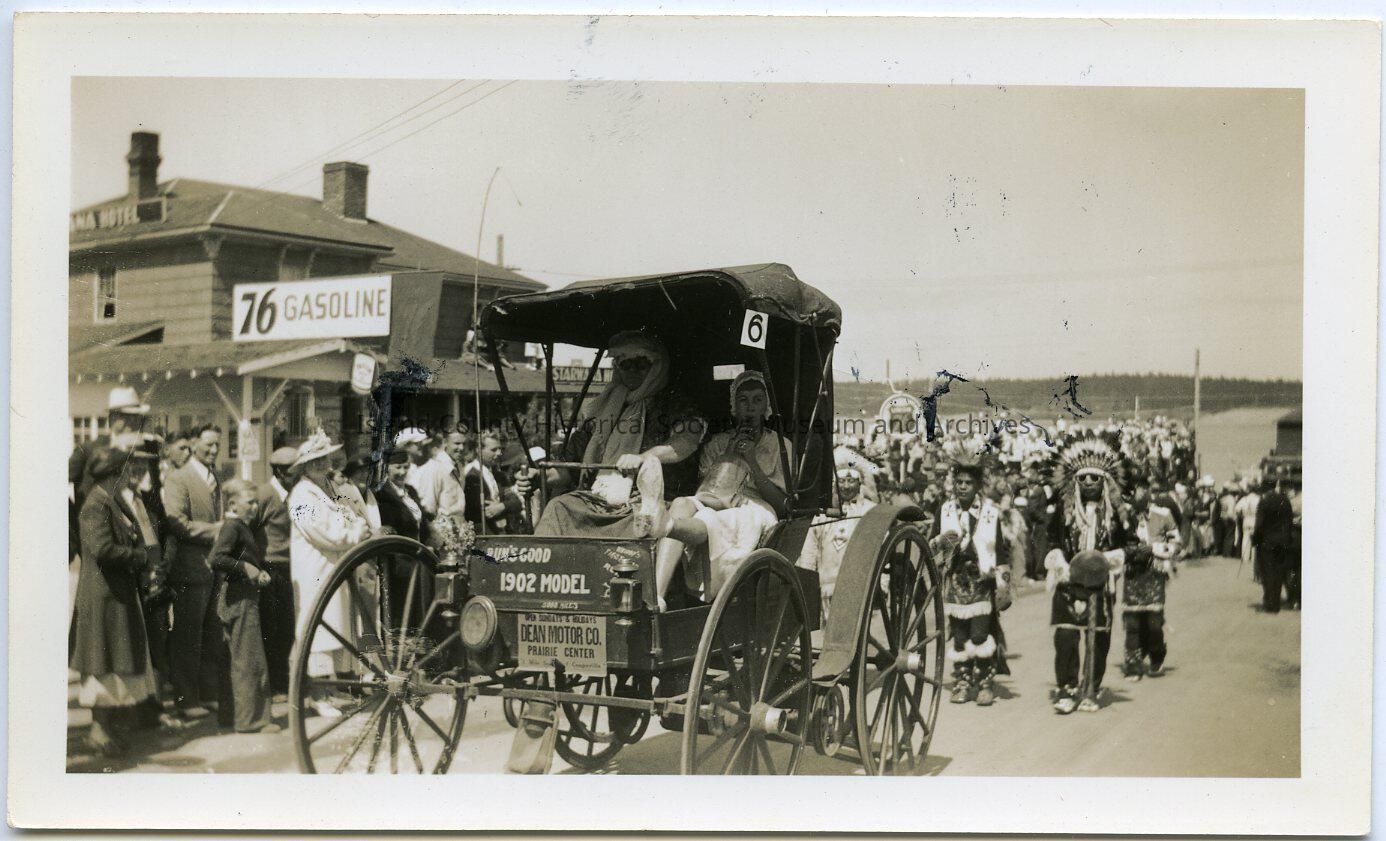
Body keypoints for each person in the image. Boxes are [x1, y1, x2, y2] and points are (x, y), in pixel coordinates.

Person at [636, 371, 789, 611]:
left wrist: (752, 461)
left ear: (766, 406)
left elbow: (782, 505)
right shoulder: (718, 443)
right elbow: (707, 492)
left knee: (711, 519)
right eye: (743, 400)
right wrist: (729, 453)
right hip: (718, 500)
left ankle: (666, 526)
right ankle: (658, 595)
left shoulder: (779, 445)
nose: (750, 407)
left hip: (756, 508)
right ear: (734, 407)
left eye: (757, 400)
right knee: (681, 504)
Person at [531, 330, 705, 538]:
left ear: (657, 367)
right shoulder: (604, 407)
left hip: (649, 502)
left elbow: (686, 441)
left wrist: (644, 458)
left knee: (643, 522)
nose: (632, 371)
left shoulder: (674, 403)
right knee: (558, 507)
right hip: (598, 499)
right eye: (625, 364)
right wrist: (537, 476)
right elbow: (570, 466)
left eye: (641, 364)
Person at [69, 447, 160, 756]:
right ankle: (98, 732)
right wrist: (139, 557)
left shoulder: (110, 500)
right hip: (103, 598)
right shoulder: (95, 505)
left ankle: (107, 730)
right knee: (101, 664)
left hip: (116, 595)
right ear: (114, 473)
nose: (129, 475)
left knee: (113, 664)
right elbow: (102, 549)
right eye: (125, 470)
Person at [287, 429, 372, 717]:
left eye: (325, 459)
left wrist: (355, 526)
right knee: (319, 630)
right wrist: (356, 532)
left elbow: (349, 516)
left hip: (334, 568)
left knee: (336, 627)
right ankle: (317, 695)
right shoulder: (301, 496)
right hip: (315, 572)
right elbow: (327, 533)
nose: (324, 465)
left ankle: (331, 688)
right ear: (306, 466)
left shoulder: (327, 489)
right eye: (317, 461)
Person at [1044, 434, 1129, 713]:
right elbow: (1052, 540)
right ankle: (1067, 688)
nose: (1089, 482)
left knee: (1098, 639)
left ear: (1105, 482)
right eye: (1083, 478)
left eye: (1095, 478)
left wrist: (1108, 561)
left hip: (1100, 585)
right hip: (1068, 582)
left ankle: (1090, 687)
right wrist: (1061, 564)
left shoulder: (1114, 515)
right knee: (1066, 637)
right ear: (1075, 482)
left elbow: (1125, 545)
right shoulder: (1063, 512)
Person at [932, 457, 1012, 707]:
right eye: (959, 482)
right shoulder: (945, 510)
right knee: (959, 636)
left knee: (979, 635)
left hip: (982, 582)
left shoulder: (990, 512)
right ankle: (963, 681)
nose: (963, 487)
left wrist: (1003, 586)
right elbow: (933, 546)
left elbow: (999, 550)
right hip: (956, 582)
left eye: (968, 482)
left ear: (977, 485)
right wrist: (944, 545)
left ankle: (985, 682)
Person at [161, 425, 224, 719]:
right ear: (195, 443)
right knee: (187, 634)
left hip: (213, 568)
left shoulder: (214, 477)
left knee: (212, 632)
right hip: (189, 568)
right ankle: (186, 699)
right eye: (209, 444)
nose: (214, 450)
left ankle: (209, 693)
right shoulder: (178, 478)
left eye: (217, 445)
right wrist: (216, 531)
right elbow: (176, 521)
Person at [208, 479, 278, 734]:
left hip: (238, 596)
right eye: (249, 502)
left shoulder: (238, 526)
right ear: (233, 504)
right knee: (249, 660)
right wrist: (246, 568)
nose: (255, 507)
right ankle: (252, 721)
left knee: (235, 659)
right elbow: (216, 558)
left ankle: (231, 717)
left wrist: (255, 571)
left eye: (256, 502)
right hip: (240, 599)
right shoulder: (233, 526)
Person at [1121, 480, 1181, 680]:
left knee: (1154, 621)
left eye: (1141, 490)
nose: (1137, 494)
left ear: (1148, 493)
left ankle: (1156, 657)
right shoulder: (1124, 515)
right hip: (1133, 574)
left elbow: (1176, 543)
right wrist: (1128, 551)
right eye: (1134, 491)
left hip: (1154, 573)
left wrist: (1155, 549)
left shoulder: (1163, 514)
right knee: (1132, 621)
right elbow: (1116, 543)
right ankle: (1133, 665)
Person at [798, 467, 875, 620]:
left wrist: (882, 583)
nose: (846, 486)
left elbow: (880, 545)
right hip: (826, 585)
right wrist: (807, 582)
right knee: (828, 625)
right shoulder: (823, 513)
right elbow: (810, 548)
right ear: (835, 484)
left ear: (859, 484)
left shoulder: (870, 510)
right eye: (842, 481)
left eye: (851, 481)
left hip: (857, 585)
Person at [253, 446, 298, 696]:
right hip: (269, 568)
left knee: (287, 627)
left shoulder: (295, 495)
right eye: (293, 472)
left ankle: (281, 681)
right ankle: (272, 683)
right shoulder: (264, 494)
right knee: (270, 627)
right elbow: (250, 528)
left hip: (290, 566)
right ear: (280, 472)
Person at [464, 434, 525, 535]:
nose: (499, 453)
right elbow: (478, 512)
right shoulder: (471, 475)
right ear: (479, 450)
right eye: (494, 450)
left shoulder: (499, 476)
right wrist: (504, 506)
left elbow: (516, 502)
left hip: (504, 532)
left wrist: (501, 506)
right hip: (484, 534)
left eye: (500, 449)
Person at [1252, 472, 1295, 613]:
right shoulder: (1285, 500)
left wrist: (1255, 539)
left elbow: (1259, 524)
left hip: (1267, 542)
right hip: (1282, 542)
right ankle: (1275, 601)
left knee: (1267, 572)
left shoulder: (1264, 501)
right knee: (1278, 572)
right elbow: (1289, 521)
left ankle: (1270, 603)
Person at [377, 449, 426, 541]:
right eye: (398, 467)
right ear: (387, 468)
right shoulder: (382, 494)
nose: (402, 472)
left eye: (406, 467)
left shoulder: (411, 491)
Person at [1234, 483, 1261, 579]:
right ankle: (1254, 557)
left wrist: (1242, 515)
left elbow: (1237, 509)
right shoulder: (1258, 498)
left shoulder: (1244, 499)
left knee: (1246, 538)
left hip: (1246, 520)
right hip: (1255, 520)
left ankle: (1245, 556)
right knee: (1255, 541)